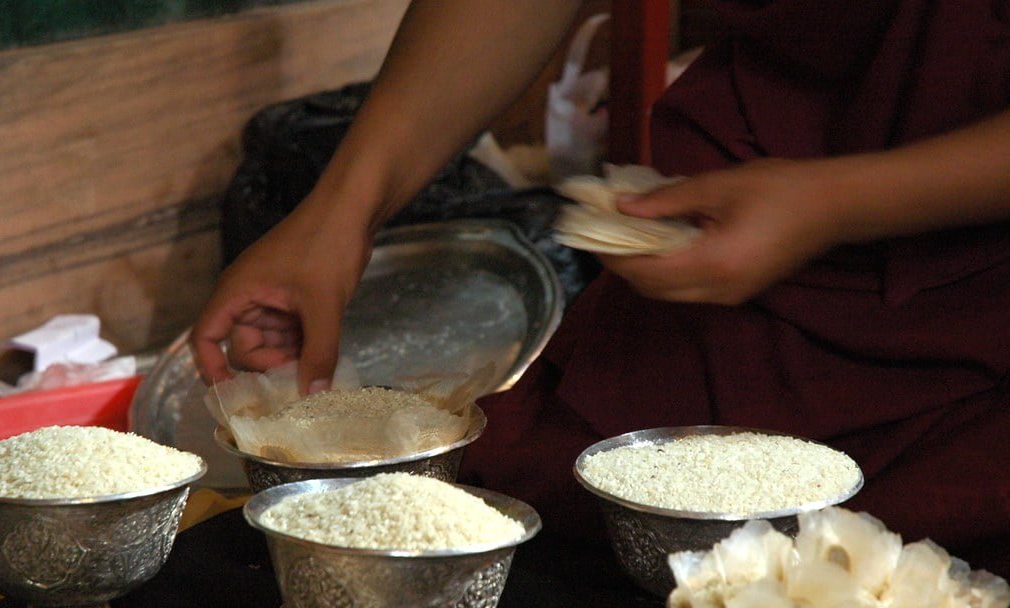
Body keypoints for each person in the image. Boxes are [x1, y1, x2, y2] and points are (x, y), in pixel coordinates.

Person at [191, 0, 1010, 575]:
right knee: (561, 518)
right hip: (736, 225)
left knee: (905, 585)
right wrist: (344, 211)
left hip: (972, 298)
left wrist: (837, 202)